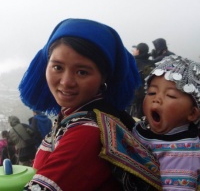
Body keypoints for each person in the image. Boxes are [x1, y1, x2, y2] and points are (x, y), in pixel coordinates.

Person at [18, 18, 161, 190]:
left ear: (104, 77)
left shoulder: (87, 132)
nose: (66, 82)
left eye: (82, 72)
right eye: (57, 67)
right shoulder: (78, 115)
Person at [131, 55, 200, 190]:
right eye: (151, 93)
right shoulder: (142, 128)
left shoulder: (184, 152)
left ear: (192, 113)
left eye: (170, 95)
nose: (156, 99)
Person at [128, 43, 155, 118]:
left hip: (134, 98)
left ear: (138, 51)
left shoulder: (133, 62)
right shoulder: (152, 63)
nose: (133, 51)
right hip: (149, 96)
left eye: (135, 49)